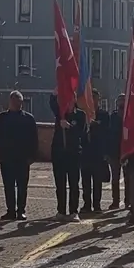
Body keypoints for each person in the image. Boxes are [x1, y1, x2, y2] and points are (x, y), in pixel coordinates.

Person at [0, 90, 38, 221]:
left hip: (23, 158)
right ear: (10, 101)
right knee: (8, 186)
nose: (16, 103)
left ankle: (21, 210)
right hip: (6, 158)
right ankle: (10, 211)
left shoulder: (28, 119)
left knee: (22, 186)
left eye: (19, 101)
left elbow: (34, 139)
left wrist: (32, 156)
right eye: (14, 100)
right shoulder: (2, 118)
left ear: (22, 102)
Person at [49, 92, 84, 221]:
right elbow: (52, 103)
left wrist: (69, 127)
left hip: (73, 153)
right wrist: (55, 92)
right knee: (60, 183)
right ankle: (61, 210)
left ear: (75, 99)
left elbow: (82, 131)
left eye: (71, 98)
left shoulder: (80, 115)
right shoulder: (60, 113)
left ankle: (74, 211)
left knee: (74, 183)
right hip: (59, 153)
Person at [81, 94, 108, 216]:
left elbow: (106, 132)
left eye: (95, 99)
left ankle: (97, 205)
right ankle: (87, 204)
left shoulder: (104, 115)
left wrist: (96, 125)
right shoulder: (83, 115)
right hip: (85, 153)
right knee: (85, 181)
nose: (92, 101)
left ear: (98, 100)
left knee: (97, 181)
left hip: (98, 153)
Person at [105, 94, 126, 210]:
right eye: (119, 101)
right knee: (115, 179)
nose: (121, 103)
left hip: (127, 152)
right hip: (114, 152)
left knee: (129, 178)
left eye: (123, 100)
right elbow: (108, 135)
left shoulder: (129, 115)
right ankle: (115, 201)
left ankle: (128, 201)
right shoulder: (113, 116)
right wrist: (107, 152)